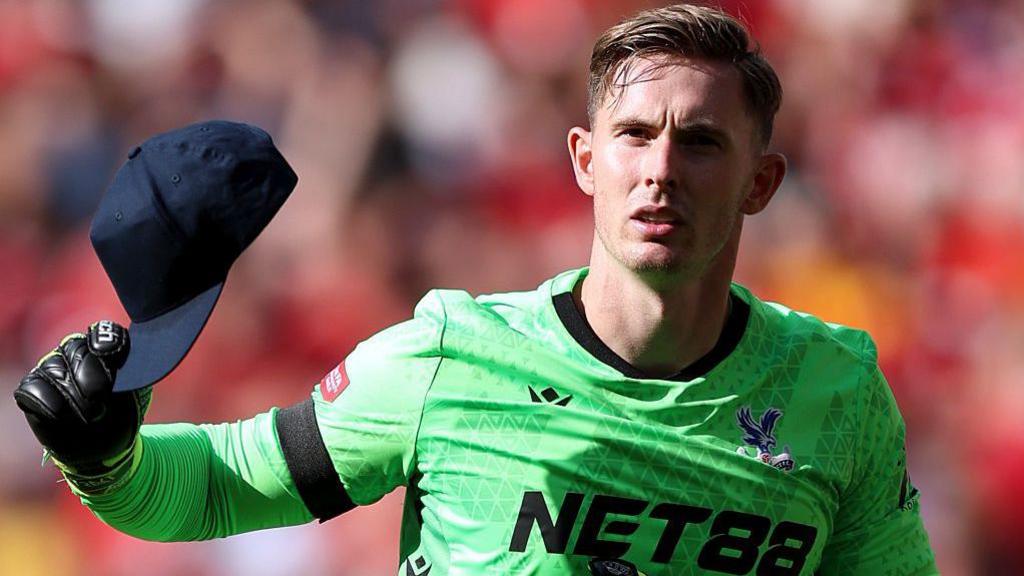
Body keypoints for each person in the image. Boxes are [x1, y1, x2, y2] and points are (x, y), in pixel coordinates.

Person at [14, 4, 937, 575]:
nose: (660, 171)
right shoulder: (453, 356)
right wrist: (104, 460)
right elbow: (216, 490)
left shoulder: (841, 389)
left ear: (761, 183)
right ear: (584, 161)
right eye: (632, 135)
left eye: (699, 142)